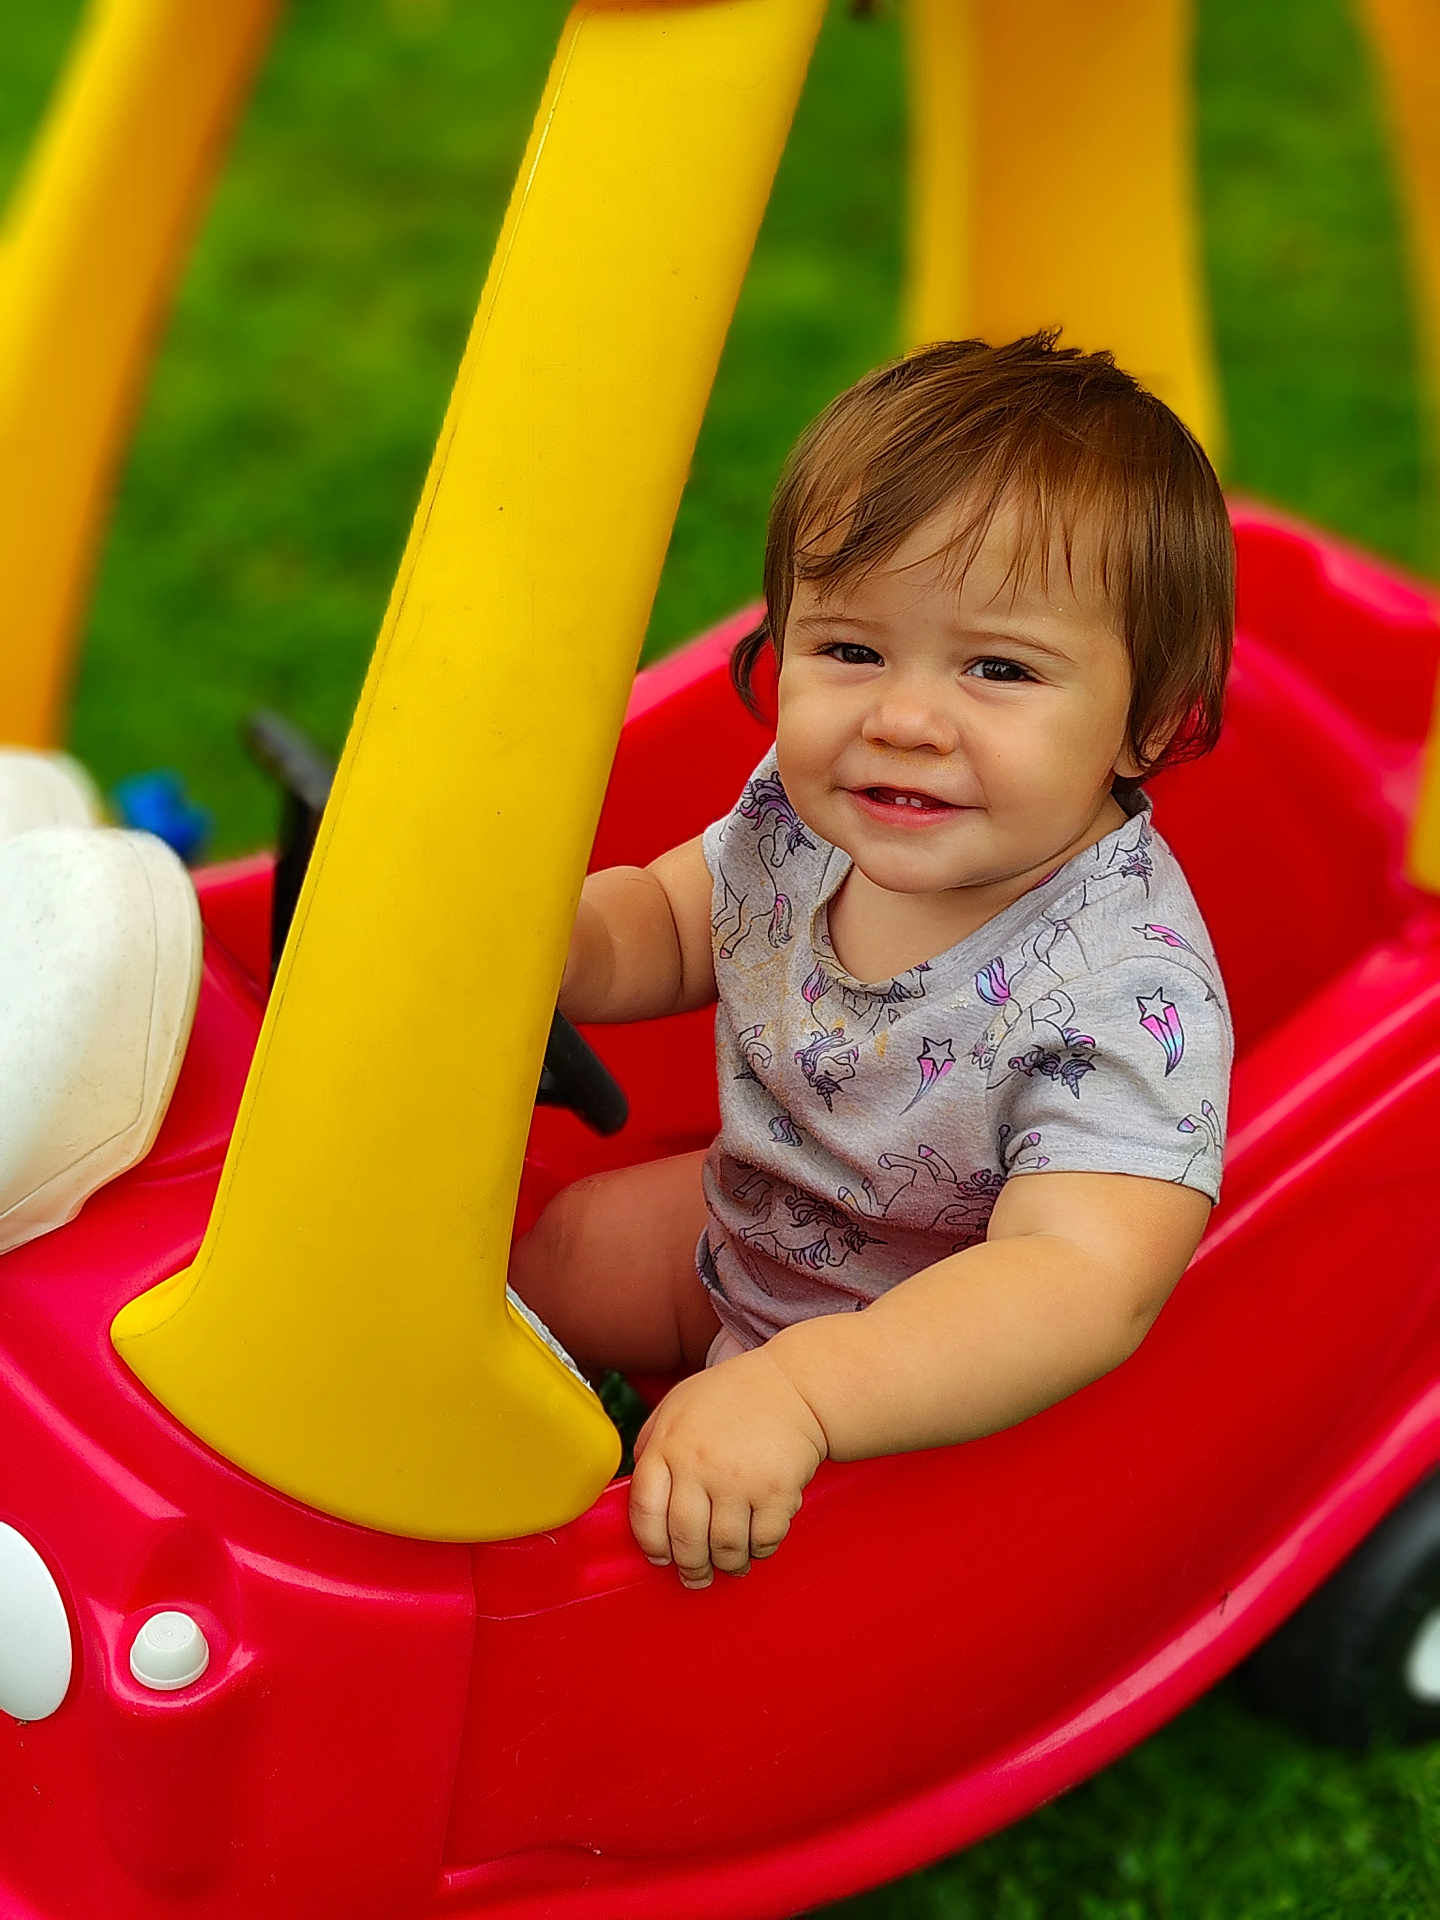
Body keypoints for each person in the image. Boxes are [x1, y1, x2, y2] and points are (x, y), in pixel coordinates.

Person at [509, 331, 1234, 1591]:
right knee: (559, 1249)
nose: (903, 719)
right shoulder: (814, 815)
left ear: (1149, 720)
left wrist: (803, 1394)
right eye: (850, 650)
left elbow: (1078, 1283)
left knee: (688, 1519)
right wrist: (549, 951)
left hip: (911, 1353)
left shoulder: (1129, 991)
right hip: (750, 1217)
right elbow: (682, 922)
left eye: (999, 669)